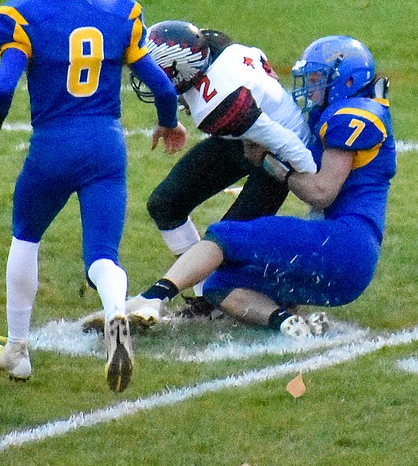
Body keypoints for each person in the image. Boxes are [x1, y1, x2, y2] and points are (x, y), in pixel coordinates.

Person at [0, 0, 186, 393]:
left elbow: (3, 89)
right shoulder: (119, 12)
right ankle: (115, 308)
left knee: (26, 237)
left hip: (53, 146)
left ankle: (17, 351)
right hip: (105, 147)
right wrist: (168, 123)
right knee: (101, 255)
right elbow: (163, 87)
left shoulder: (22, 15)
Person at [122, 34, 395, 335]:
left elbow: (322, 193)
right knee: (218, 284)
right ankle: (287, 322)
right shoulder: (344, 111)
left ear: (346, 81)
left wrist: (269, 162)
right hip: (340, 256)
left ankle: (151, 297)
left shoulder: (353, 116)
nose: (311, 87)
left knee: (222, 237)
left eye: (318, 78)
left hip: (343, 241)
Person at [128, 20, 317, 315]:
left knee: (225, 240)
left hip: (276, 154)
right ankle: (207, 294)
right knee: (164, 204)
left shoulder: (218, 107)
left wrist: (313, 184)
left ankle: (274, 291)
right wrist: (167, 119)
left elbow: (289, 144)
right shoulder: (212, 46)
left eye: (158, 74)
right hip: (244, 134)